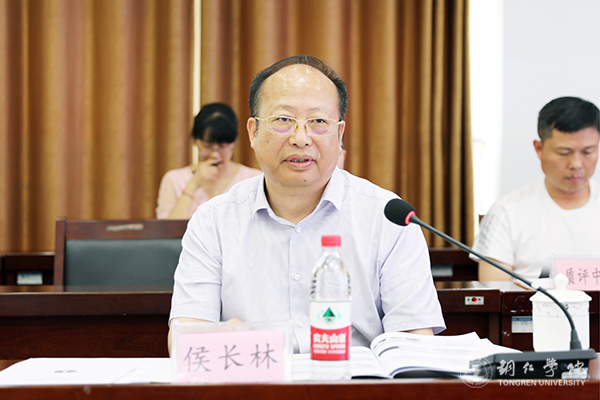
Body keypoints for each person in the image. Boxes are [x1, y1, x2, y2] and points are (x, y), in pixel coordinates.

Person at [168, 55, 445, 354]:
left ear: (339, 134)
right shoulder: (213, 221)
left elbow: (416, 343)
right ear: (253, 132)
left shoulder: (387, 218)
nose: (301, 139)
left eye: (318, 122)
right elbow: (185, 342)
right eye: (283, 120)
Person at [473, 96, 600, 281]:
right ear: (539, 148)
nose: (576, 164)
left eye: (588, 151)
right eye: (564, 153)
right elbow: (495, 291)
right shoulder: (506, 212)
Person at [155, 103, 262, 219]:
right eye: (207, 146)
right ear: (195, 141)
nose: (215, 155)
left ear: (233, 143)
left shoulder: (254, 179)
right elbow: (168, 229)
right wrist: (193, 184)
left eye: (223, 146)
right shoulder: (174, 179)